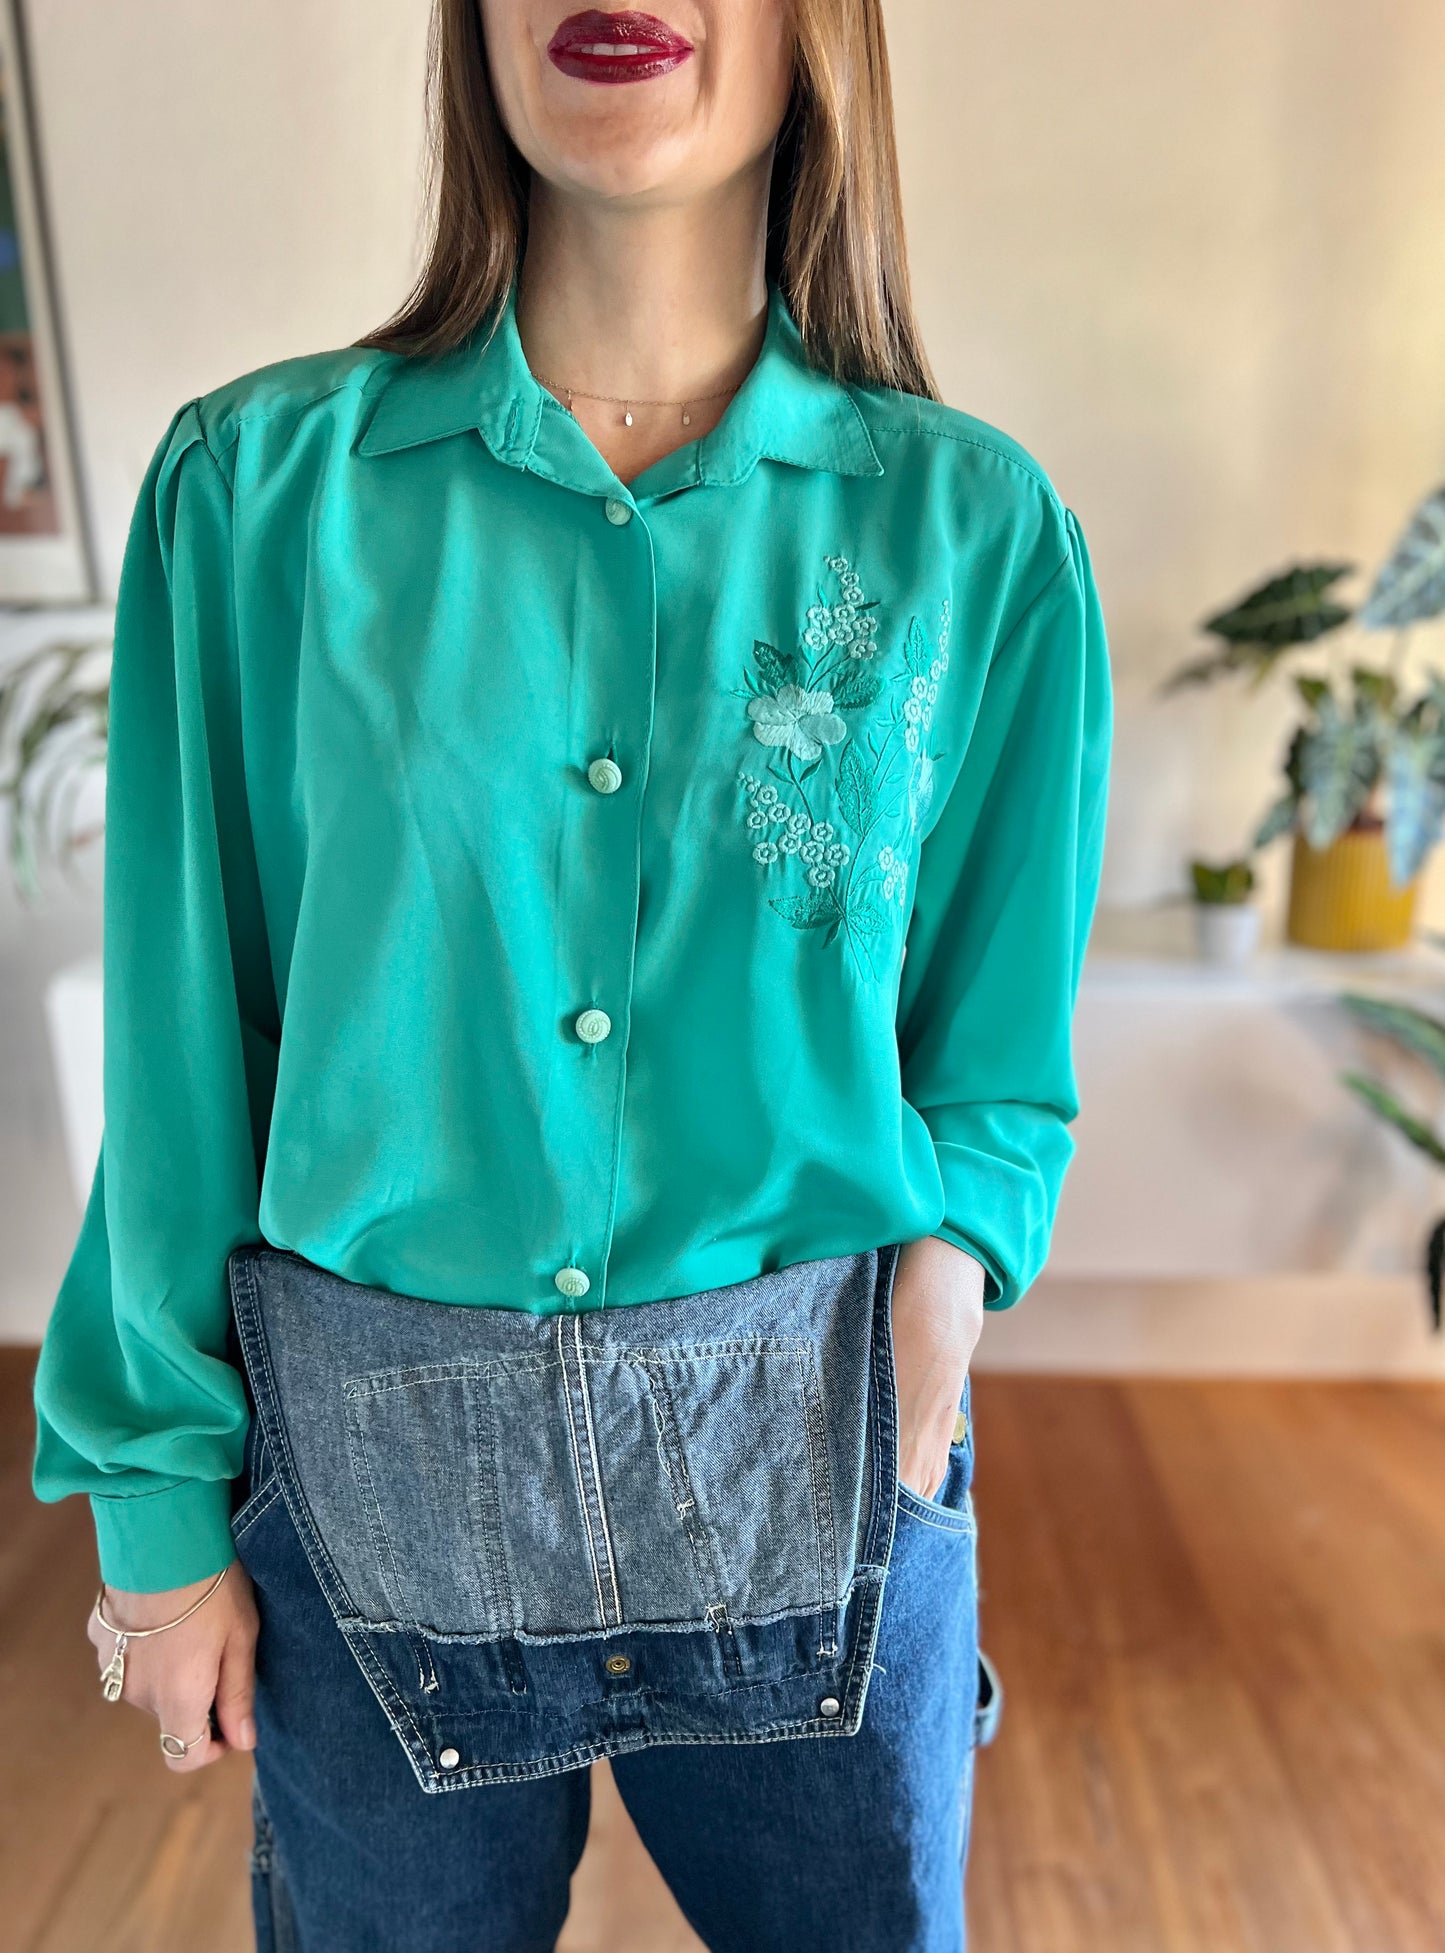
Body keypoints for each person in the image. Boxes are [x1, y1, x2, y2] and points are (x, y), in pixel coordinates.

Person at [31, 2, 1112, 1947]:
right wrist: (155, 1522)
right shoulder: (260, 492)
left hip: (817, 1433)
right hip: (372, 1483)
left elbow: (996, 1042)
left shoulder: (974, 529)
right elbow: (194, 1041)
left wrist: (939, 1304)